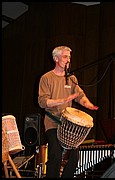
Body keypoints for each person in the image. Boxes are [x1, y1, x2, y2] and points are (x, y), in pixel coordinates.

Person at [38, 45, 98, 178]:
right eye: (65, 56)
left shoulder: (72, 79)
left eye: (69, 57)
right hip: (52, 122)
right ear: (55, 58)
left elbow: (80, 96)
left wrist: (89, 105)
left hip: (68, 125)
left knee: (74, 158)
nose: (68, 60)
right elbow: (43, 102)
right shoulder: (46, 78)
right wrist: (64, 99)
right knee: (55, 154)